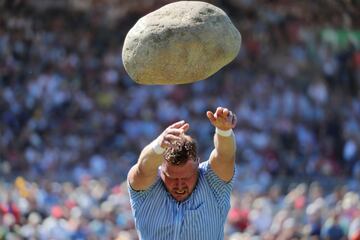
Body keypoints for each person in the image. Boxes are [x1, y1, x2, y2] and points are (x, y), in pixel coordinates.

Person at [127, 107, 237, 240]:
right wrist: (158, 146)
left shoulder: (213, 183)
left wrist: (224, 132)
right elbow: (143, 168)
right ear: (161, 167)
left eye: (186, 177)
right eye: (172, 177)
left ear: (198, 163)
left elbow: (225, 156)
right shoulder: (147, 189)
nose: (179, 185)